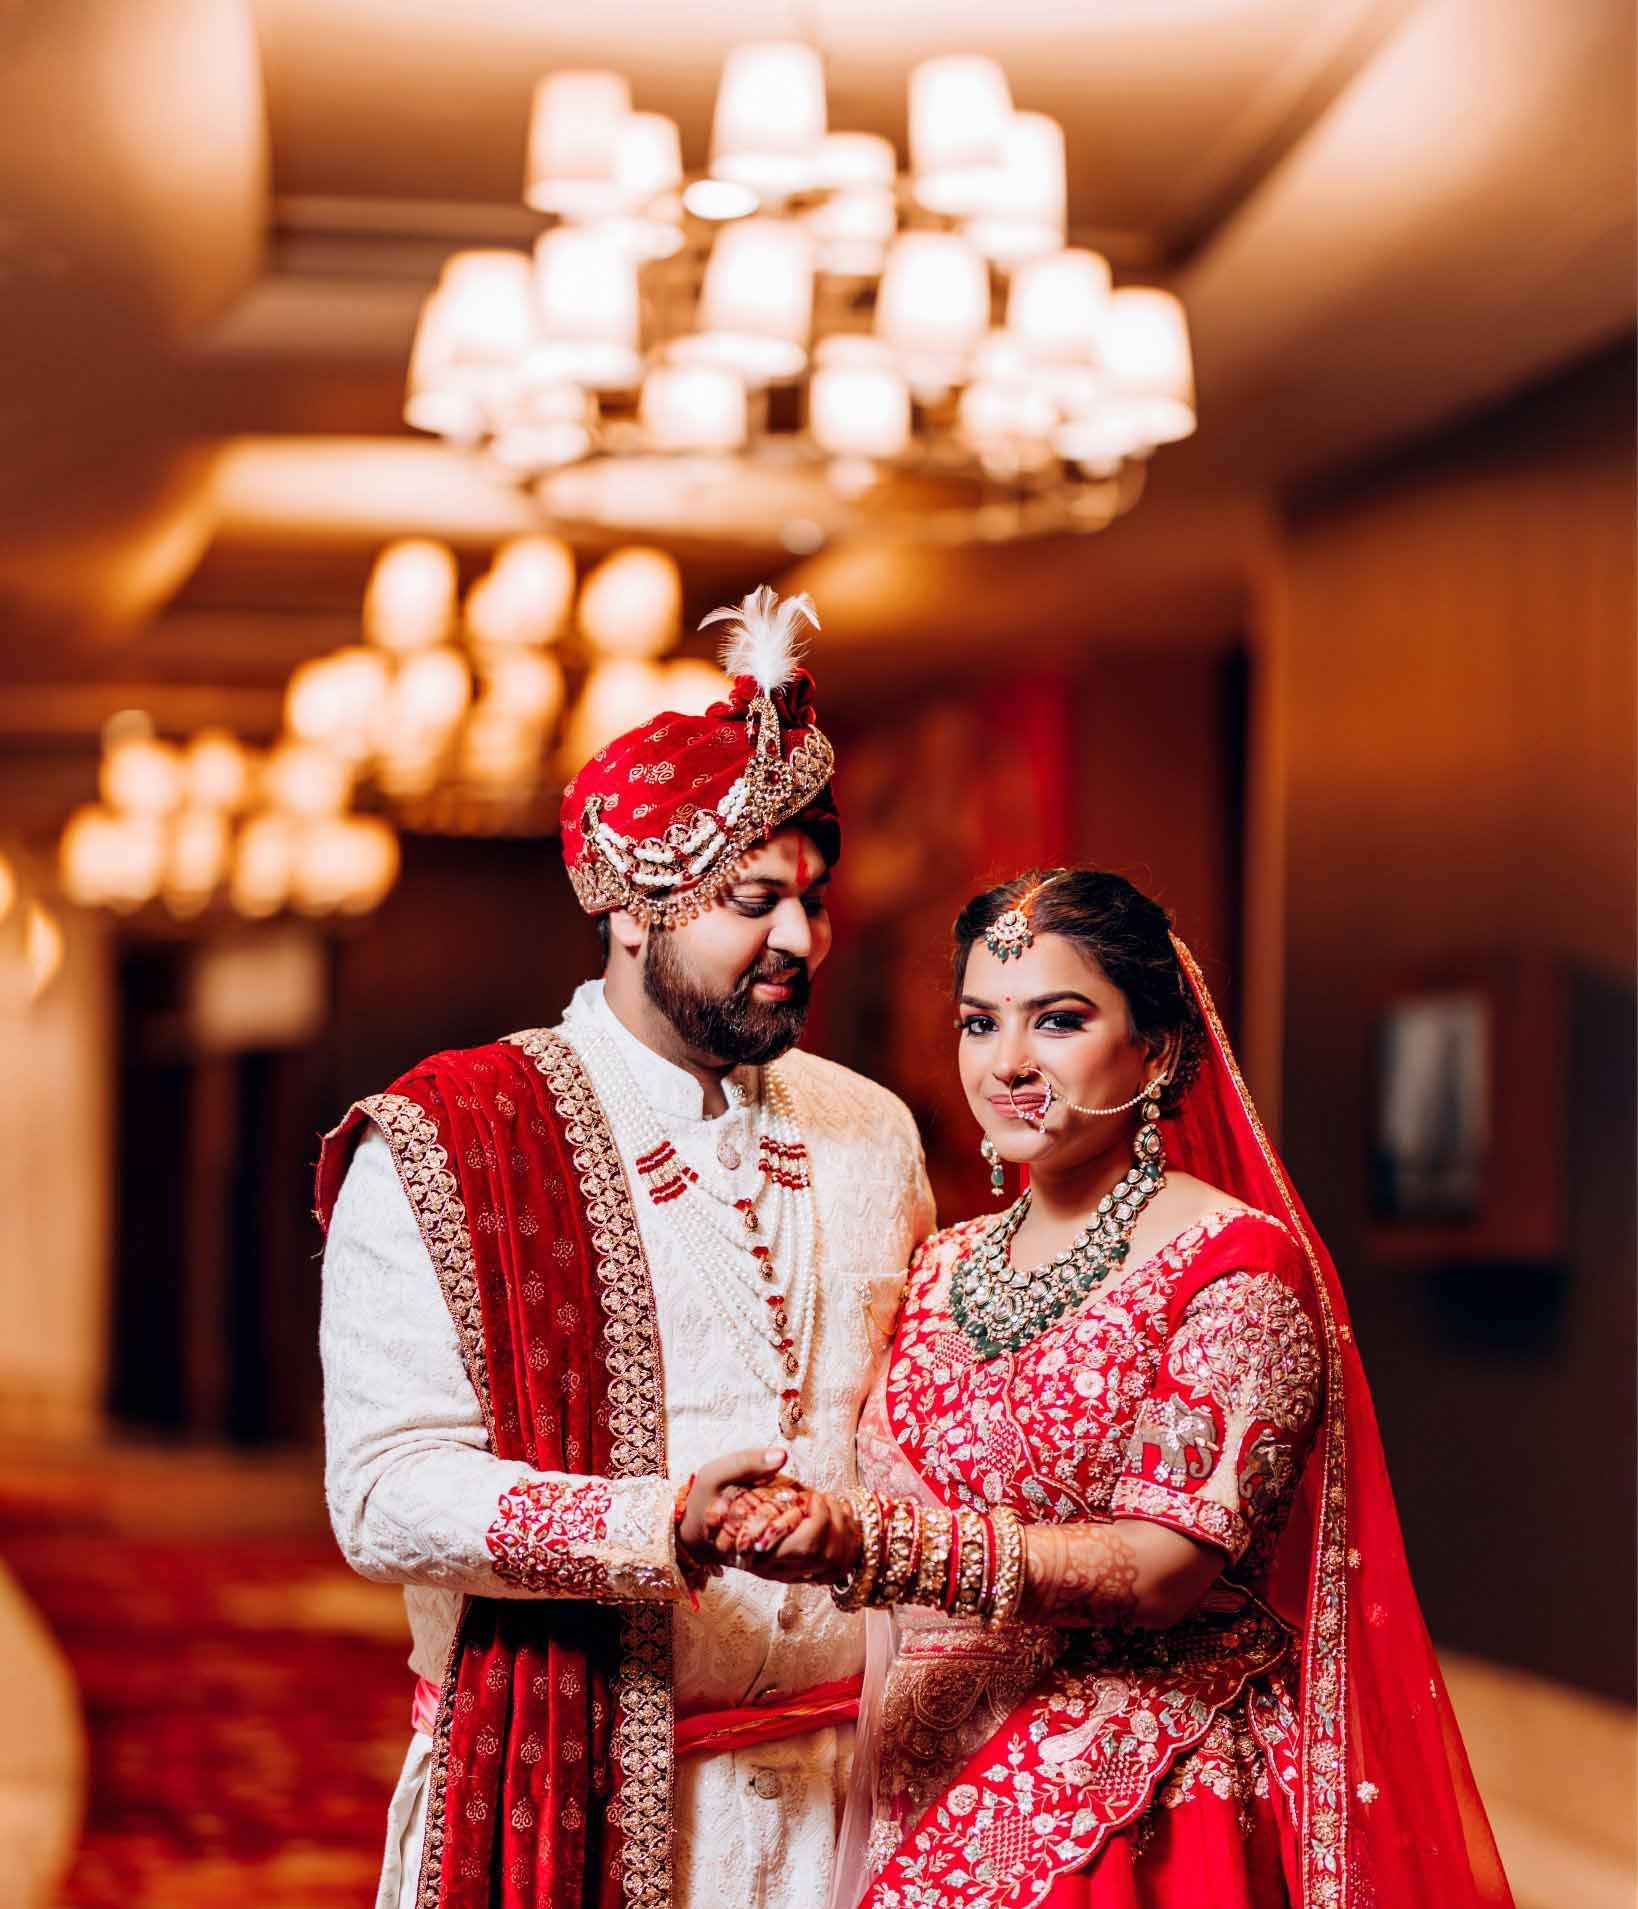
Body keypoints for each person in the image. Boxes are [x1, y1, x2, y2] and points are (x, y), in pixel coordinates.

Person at [708, 868, 1514, 1909]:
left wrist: (871, 1542)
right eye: (979, 1021)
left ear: (1158, 1048)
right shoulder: (942, 1261)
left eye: (1059, 1019)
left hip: (1139, 1808)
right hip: (922, 1778)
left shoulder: (1232, 1264)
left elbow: (1160, 1568)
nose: (1007, 1063)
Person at [315, 585, 934, 1909]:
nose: (796, 939)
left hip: (851, 1802)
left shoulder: (872, 1131)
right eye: (749, 897)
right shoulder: (446, 1138)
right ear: (628, 903)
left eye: (810, 900)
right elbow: (379, 1492)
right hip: (566, 1795)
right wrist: (658, 1524)